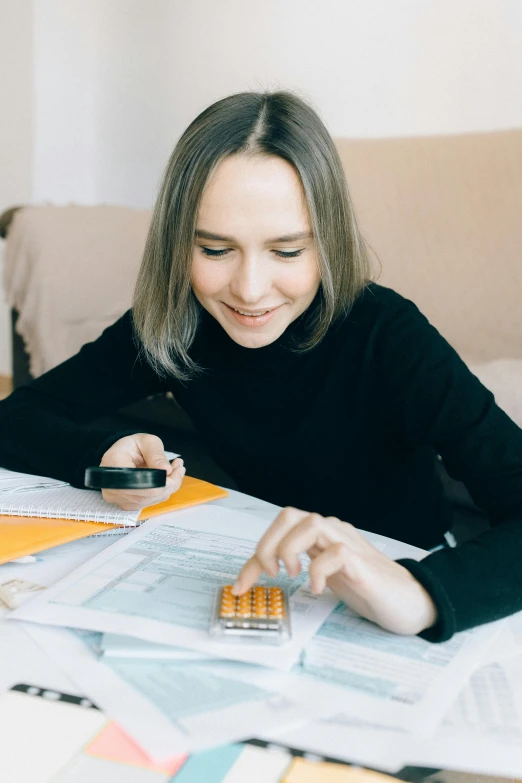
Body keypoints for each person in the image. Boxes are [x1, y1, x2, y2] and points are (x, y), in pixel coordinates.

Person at [1, 91, 521, 643]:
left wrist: (419, 596)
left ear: (329, 242)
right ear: (179, 245)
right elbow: (18, 417)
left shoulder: (388, 335)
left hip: (401, 574)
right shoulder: (179, 319)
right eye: (216, 250)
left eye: (288, 252)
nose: (249, 292)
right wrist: (102, 464)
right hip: (260, 574)